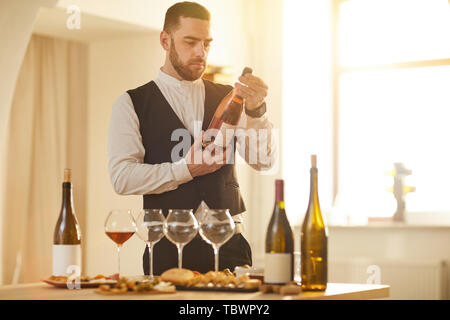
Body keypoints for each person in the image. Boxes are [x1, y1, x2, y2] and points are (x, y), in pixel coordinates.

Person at [107, 1, 277, 275]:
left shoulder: (230, 97)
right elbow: (122, 177)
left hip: (229, 245)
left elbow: (264, 162)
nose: (201, 52)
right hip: (165, 248)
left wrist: (257, 112)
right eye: (190, 41)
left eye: (207, 43)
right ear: (165, 40)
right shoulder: (131, 103)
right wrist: (185, 169)